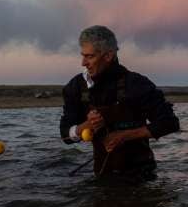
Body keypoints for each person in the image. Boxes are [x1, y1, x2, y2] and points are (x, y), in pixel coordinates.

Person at [60, 25, 179, 177]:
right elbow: (65, 135)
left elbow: (169, 123)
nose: (83, 63)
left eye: (90, 56)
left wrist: (124, 136)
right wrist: (86, 125)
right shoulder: (75, 87)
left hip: (142, 175)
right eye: (83, 56)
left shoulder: (137, 84)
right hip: (102, 175)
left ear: (108, 56)